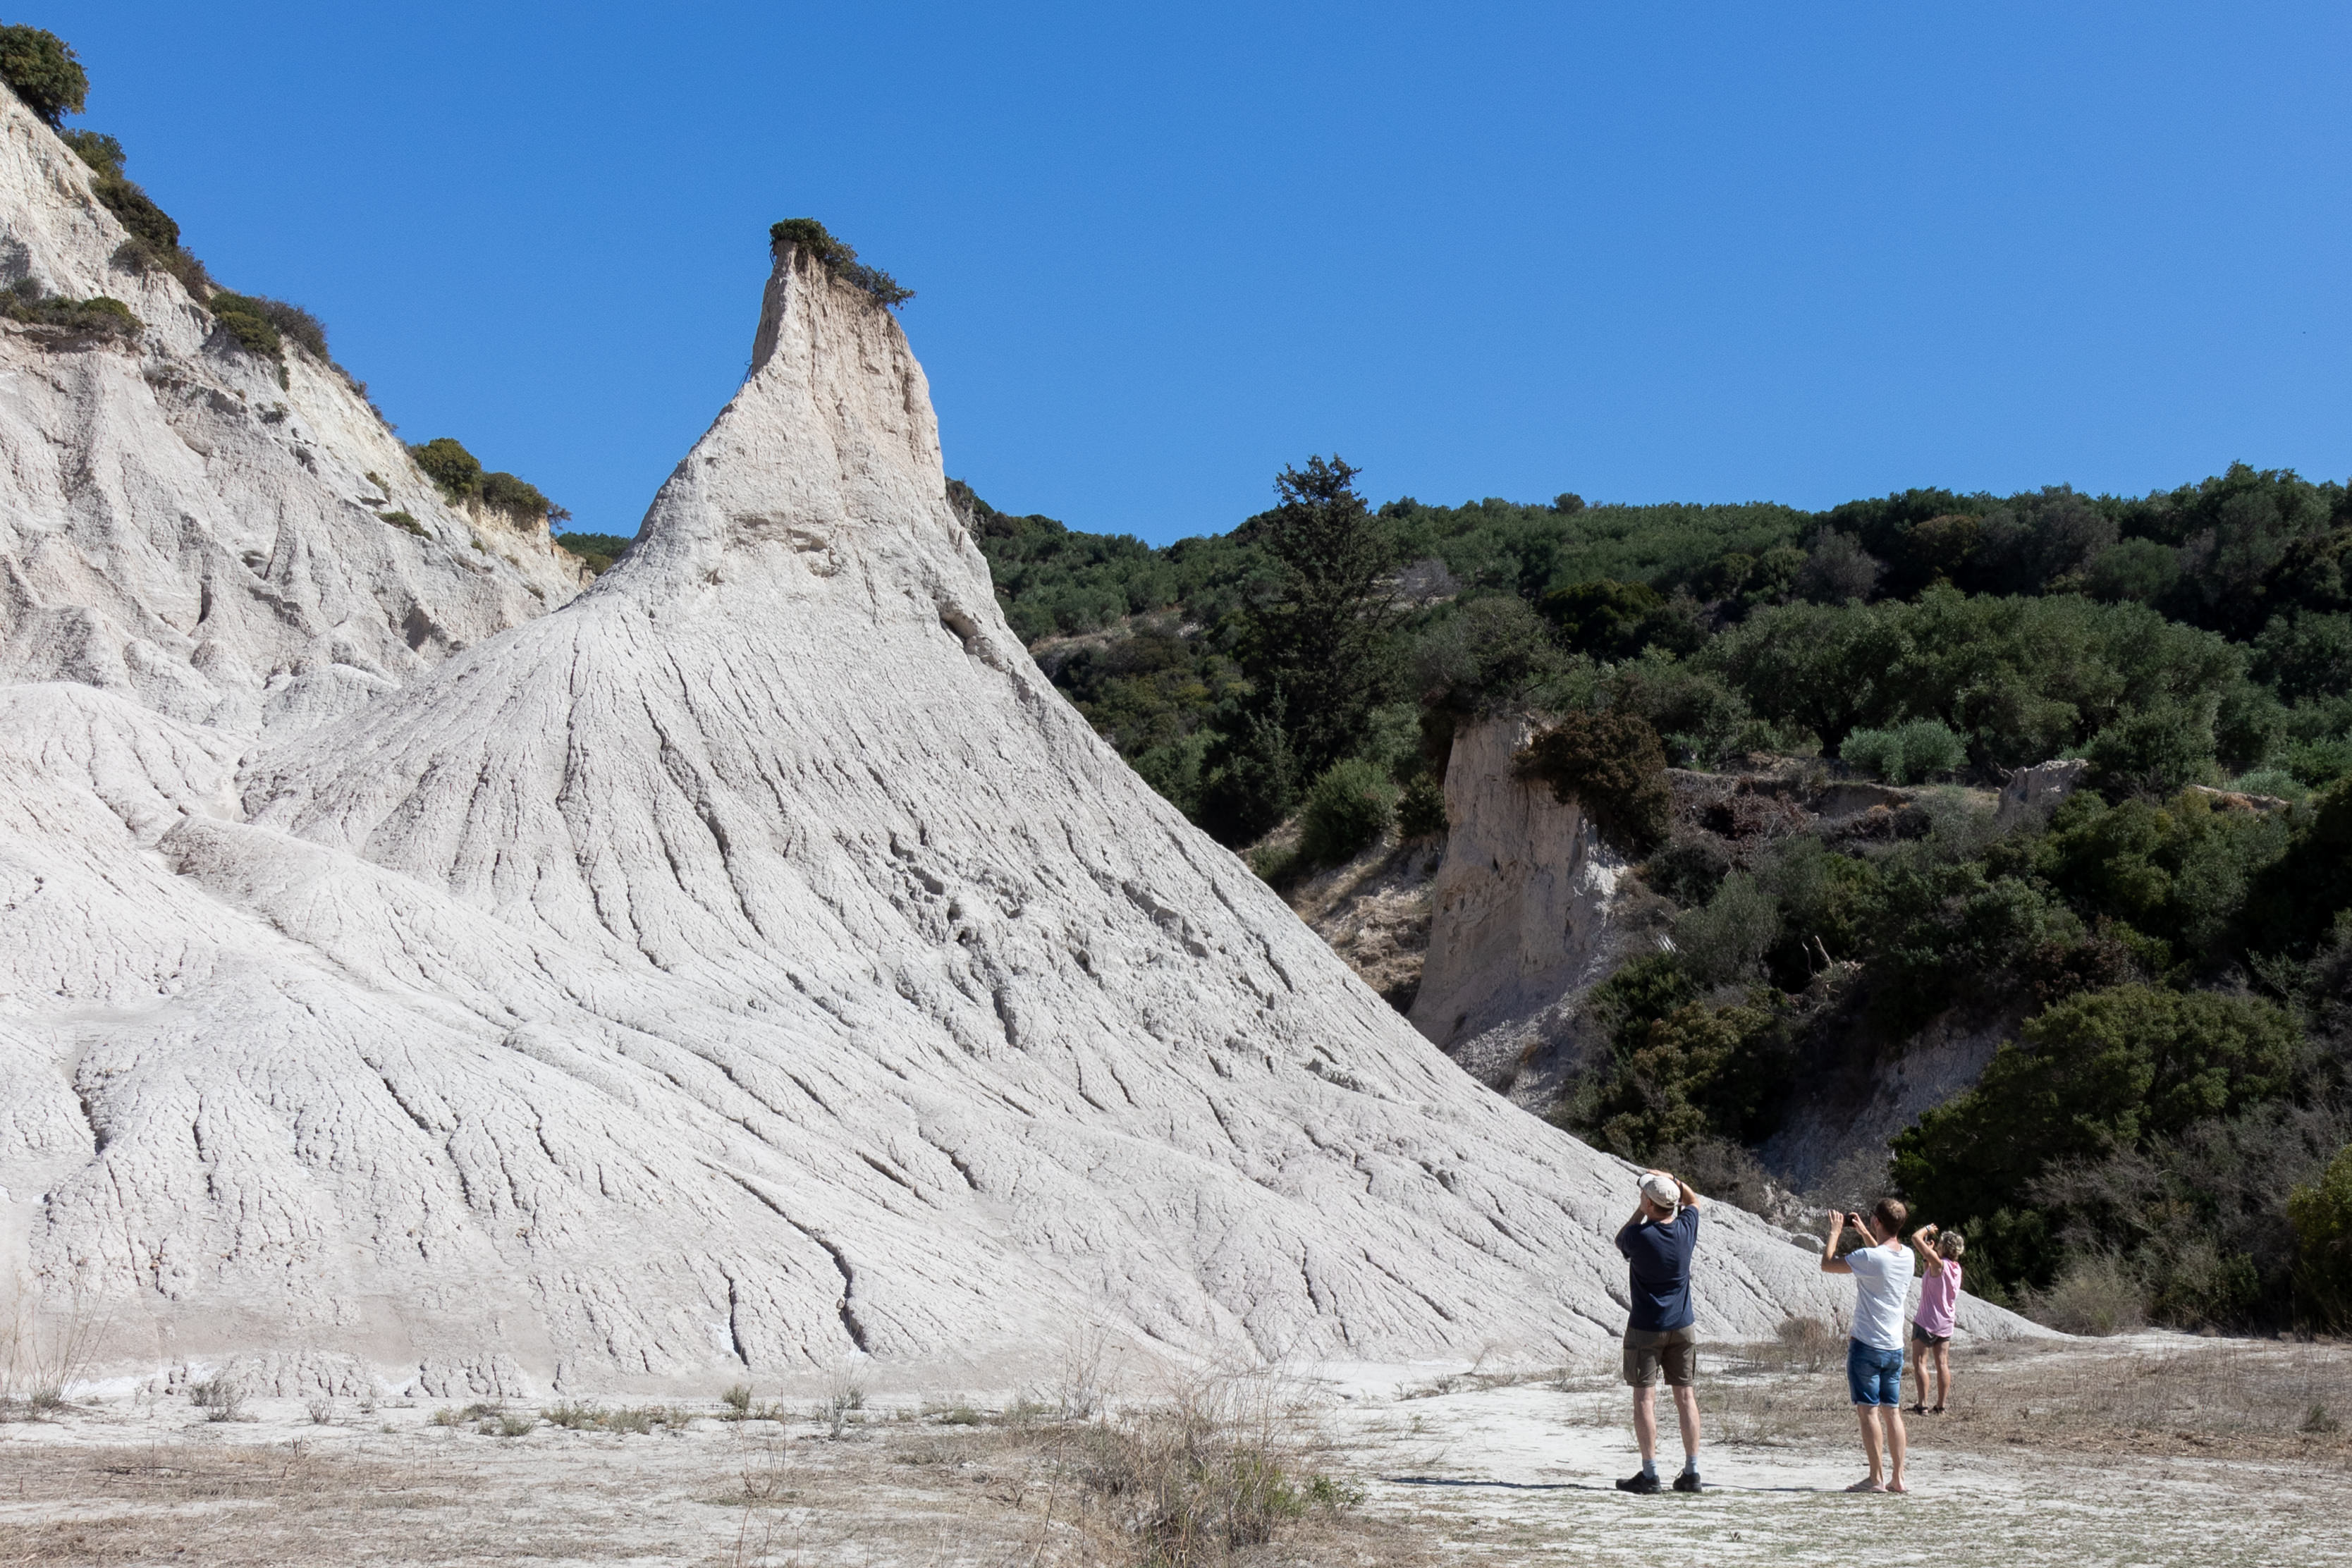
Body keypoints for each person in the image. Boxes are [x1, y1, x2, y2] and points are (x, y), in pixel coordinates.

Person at [1613, 1168, 1704, 1494]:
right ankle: (1692, 1472)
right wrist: (1676, 1181)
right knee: (1686, 1397)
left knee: (1644, 1399)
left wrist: (1641, 1209)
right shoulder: (1686, 1229)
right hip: (1683, 1325)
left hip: (1646, 1327)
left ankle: (1650, 1474)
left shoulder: (1639, 1237)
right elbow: (1694, 1202)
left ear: (1650, 1204)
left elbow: (1621, 1238)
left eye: (1645, 1197)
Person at [1820, 1197, 1916, 1493]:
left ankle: (1876, 1478)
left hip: (1867, 1345)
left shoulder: (1869, 1258)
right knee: (1892, 1412)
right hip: (1894, 1347)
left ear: (1877, 1221)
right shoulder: (1908, 1256)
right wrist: (1864, 1232)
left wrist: (1835, 1232)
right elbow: (1881, 1257)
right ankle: (1898, 1478)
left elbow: (1828, 1264)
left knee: (1869, 1412)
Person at [1906, 1224, 1964, 1414]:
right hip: (1946, 1323)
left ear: (1944, 1247)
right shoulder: (1956, 1268)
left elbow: (1915, 1238)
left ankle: (1922, 1405)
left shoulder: (1940, 1264)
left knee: (1920, 1362)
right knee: (1942, 1364)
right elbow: (1930, 1275)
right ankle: (1941, 1406)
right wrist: (1928, 1255)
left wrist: (1927, 1229)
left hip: (1927, 1321)